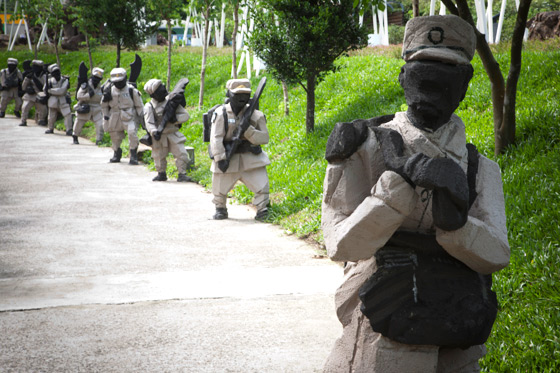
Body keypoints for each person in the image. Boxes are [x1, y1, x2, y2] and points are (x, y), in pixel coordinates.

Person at [321, 15, 510, 372]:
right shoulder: (365, 147)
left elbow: (498, 254)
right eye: (423, 72)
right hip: (386, 318)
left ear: (466, 82)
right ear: (403, 76)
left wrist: (457, 226)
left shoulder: (479, 167)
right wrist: (395, 189)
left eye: (445, 77)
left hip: (459, 317)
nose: (431, 89)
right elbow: (341, 245)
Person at [209, 78, 270, 220]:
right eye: (237, 94)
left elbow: (264, 138)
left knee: (261, 184)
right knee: (219, 186)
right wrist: (220, 158)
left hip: (250, 157)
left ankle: (263, 208)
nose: (242, 98)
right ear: (229, 95)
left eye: (245, 95)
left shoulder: (256, 115)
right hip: (228, 155)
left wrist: (247, 130)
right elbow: (216, 138)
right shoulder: (221, 113)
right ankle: (220, 208)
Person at [143, 78, 192, 182]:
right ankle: (161, 173)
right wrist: (154, 131)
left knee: (181, 153)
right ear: (153, 95)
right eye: (159, 89)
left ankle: (182, 173)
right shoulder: (149, 107)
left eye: (163, 86)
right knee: (159, 156)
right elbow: (149, 122)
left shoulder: (171, 101)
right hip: (159, 136)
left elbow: (185, 115)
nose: (164, 89)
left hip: (173, 133)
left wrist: (174, 119)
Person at [101, 67, 143, 165]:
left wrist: (142, 118)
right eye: (116, 82)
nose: (118, 84)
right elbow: (104, 106)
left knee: (132, 134)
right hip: (115, 116)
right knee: (115, 136)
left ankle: (133, 154)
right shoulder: (109, 91)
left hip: (129, 116)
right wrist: (106, 116)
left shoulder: (131, 90)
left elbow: (139, 106)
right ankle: (116, 153)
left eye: (120, 81)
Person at [72, 67, 105, 145]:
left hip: (97, 108)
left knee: (100, 124)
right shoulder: (86, 85)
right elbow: (78, 96)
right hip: (85, 106)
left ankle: (99, 139)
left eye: (98, 79)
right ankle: (75, 136)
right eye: (95, 78)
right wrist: (88, 95)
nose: (96, 80)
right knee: (79, 123)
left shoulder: (100, 87)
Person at [45, 64, 72, 135]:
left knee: (67, 115)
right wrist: (49, 90)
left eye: (58, 72)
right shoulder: (49, 81)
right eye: (55, 73)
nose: (57, 74)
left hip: (63, 100)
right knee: (51, 116)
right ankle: (50, 128)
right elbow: (45, 90)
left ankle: (69, 130)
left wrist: (50, 90)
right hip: (53, 101)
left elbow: (62, 91)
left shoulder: (64, 80)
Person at [20, 60, 47, 127]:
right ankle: (23, 120)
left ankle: (41, 120)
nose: (35, 69)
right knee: (25, 107)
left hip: (40, 95)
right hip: (30, 95)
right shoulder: (30, 76)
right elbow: (23, 87)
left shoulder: (45, 76)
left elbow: (45, 87)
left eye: (37, 67)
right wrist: (27, 85)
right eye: (34, 67)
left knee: (43, 109)